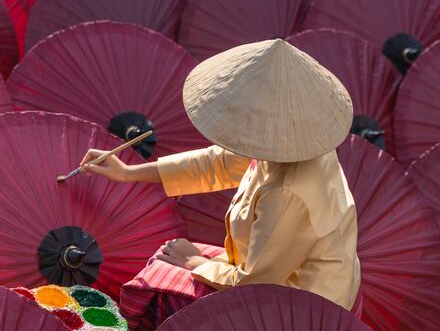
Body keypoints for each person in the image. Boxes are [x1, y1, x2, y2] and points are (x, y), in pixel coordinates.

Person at [81, 39, 360, 311]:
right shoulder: (294, 138)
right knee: (165, 260)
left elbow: (257, 282)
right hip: (263, 269)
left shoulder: (287, 194)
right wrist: (129, 173)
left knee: (160, 289)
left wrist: (195, 263)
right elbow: (218, 164)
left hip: (299, 308)